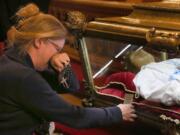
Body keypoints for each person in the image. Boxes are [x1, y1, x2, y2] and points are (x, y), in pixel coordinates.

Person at [0, 3, 137, 135]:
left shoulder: (12, 58)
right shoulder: (25, 76)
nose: (57, 54)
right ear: (39, 41)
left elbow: (72, 87)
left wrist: (64, 65)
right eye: (57, 49)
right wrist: (117, 112)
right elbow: (75, 117)